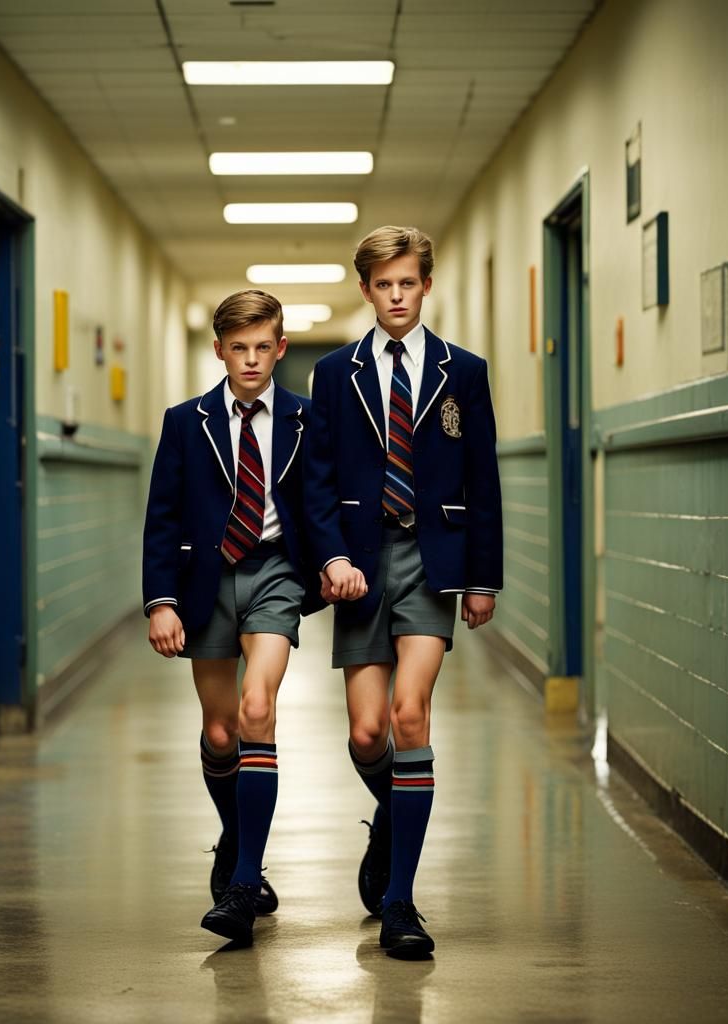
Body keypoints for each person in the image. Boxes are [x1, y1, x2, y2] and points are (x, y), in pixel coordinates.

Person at [305, 225, 503, 959]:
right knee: (366, 733)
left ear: (426, 284)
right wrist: (328, 555)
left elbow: (482, 479)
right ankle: (394, 813)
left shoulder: (464, 371)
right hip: (360, 562)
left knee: (409, 715)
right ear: (366, 290)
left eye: (407, 283)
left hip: (431, 558)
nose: (396, 296)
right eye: (382, 285)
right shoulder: (336, 373)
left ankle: (401, 903)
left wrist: (482, 578)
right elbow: (318, 480)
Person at [143, 289, 319, 947]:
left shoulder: (306, 419)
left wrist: (333, 563)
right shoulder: (186, 422)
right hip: (205, 579)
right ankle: (235, 836)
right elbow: (162, 518)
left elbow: (323, 503)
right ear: (219, 350)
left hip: (275, 573)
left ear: (280, 347)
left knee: (255, 711)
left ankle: (245, 881)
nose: (251, 360)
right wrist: (161, 600)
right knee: (219, 733)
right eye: (238, 348)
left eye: (262, 348)